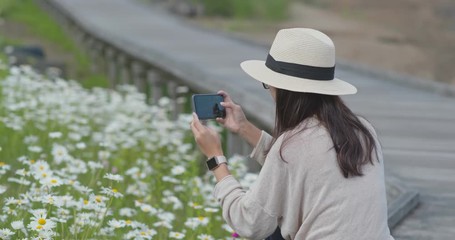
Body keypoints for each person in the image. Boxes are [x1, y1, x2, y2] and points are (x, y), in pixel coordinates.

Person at [190, 28, 394, 240]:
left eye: (267, 84)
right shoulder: (362, 130)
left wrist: (215, 158)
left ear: (284, 89)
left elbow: (249, 222)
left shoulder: (293, 145)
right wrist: (244, 127)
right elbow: (300, 168)